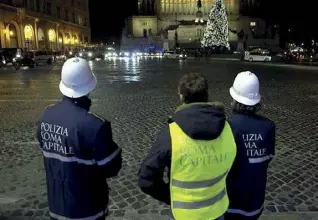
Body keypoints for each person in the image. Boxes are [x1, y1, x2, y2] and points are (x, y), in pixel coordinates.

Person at [138, 73, 237, 220]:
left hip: (184, 214)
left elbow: (146, 179)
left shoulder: (172, 134)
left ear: (181, 97)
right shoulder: (227, 128)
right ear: (207, 94)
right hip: (217, 209)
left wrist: (169, 195)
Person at [36, 57, 122, 220]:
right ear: (89, 86)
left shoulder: (46, 115)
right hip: (88, 209)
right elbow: (111, 167)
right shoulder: (95, 125)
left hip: (57, 206)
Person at [225, 71, 276, 220]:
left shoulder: (228, 126)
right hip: (255, 201)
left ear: (234, 98)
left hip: (230, 201)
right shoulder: (268, 126)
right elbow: (268, 157)